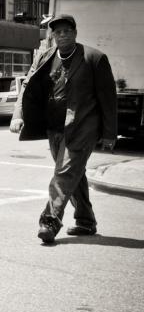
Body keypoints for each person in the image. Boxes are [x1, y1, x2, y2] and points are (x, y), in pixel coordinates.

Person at [10, 14, 117, 244]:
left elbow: (108, 99)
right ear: (52, 36)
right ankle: (86, 221)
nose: (62, 35)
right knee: (73, 175)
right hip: (54, 128)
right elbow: (28, 86)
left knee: (63, 174)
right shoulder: (45, 56)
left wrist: (109, 134)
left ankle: (49, 220)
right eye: (57, 32)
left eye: (67, 31)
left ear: (75, 33)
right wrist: (18, 115)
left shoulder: (94, 58)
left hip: (82, 128)